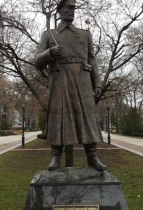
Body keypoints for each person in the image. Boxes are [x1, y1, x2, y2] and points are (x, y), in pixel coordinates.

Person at [35, 0, 107, 171]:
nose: (71, 11)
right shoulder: (49, 35)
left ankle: (92, 157)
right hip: (60, 80)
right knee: (59, 117)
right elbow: (37, 62)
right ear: (59, 10)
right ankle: (55, 157)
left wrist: (97, 83)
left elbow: (92, 59)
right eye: (68, 8)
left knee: (87, 117)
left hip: (82, 81)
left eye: (73, 8)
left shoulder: (84, 34)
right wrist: (49, 53)